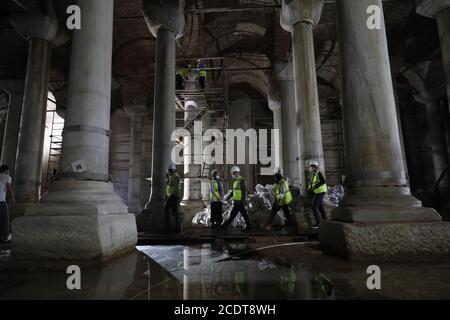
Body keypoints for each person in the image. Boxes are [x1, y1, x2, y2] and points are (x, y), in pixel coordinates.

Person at [221, 166, 251, 232]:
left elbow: (243, 191)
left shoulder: (241, 180)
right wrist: (226, 198)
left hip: (240, 202)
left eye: (233, 174)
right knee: (235, 214)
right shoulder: (235, 182)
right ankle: (225, 226)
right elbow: (233, 192)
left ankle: (225, 226)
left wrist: (243, 200)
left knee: (239, 214)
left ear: (236, 173)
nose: (232, 175)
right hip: (236, 201)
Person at [307, 161, 327, 229]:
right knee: (320, 207)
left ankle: (318, 223)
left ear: (314, 167)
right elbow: (313, 183)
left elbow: (323, 181)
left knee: (314, 207)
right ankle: (325, 221)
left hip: (320, 191)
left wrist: (315, 187)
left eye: (310, 167)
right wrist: (310, 188)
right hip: (317, 192)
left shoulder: (318, 173)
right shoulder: (314, 174)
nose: (309, 168)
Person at [164, 164, 181, 233]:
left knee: (168, 210)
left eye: (169, 170)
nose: (168, 172)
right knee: (173, 211)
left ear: (173, 170)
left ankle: (172, 227)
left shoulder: (175, 177)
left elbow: (175, 187)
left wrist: (171, 195)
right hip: (172, 196)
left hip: (174, 196)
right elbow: (169, 185)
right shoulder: (172, 176)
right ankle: (175, 227)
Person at [0, 165, 15, 244]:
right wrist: (13, 198)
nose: (8, 173)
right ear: (6, 171)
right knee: (5, 219)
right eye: (8, 171)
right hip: (1, 201)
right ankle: (5, 236)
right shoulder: (7, 177)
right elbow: (9, 188)